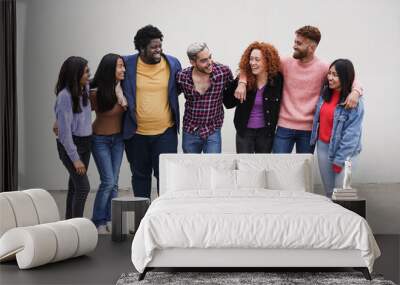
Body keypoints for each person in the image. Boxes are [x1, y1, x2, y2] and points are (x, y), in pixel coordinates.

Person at [235, 26, 363, 154]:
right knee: (278, 169)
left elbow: (349, 77)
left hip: (308, 131)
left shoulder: (323, 67)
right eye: (295, 42)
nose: (294, 46)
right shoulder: (285, 63)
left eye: (299, 43)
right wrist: (242, 82)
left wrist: (356, 92)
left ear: (311, 48)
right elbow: (254, 66)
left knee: (303, 170)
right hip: (284, 127)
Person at [121, 25, 181, 199]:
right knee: (140, 176)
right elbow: (105, 79)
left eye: (160, 46)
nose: (158, 50)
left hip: (166, 133)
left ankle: (164, 218)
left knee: (166, 177)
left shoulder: (173, 63)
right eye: (154, 47)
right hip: (136, 134)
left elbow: (177, 89)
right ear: (141, 48)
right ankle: (143, 218)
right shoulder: (127, 63)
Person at [310, 59, 364, 198]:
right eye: (329, 73)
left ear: (345, 77)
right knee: (329, 192)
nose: (330, 78)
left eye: (335, 75)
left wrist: (339, 161)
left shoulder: (354, 102)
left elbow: (351, 136)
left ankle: (346, 219)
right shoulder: (325, 94)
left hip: (345, 153)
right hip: (323, 148)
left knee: (341, 193)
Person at [223, 41, 283, 153]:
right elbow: (228, 103)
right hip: (245, 132)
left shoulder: (277, 80)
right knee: (245, 167)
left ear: (267, 61)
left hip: (266, 133)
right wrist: (240, 83)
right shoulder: (243, 80)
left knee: (262, 167)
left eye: (257, 59)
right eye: (251, 59)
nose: (252, 63)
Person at [90, 53, 127, 234]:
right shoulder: (95, 92)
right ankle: (98, 221)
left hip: (118, 140)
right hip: (100, 140)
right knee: (108, 181)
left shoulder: (122, 89)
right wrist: (59, 120)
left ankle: (111, 219)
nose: (123, 70)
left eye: (123, 66)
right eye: (120, 66)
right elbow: (76, 110)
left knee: (114, 182)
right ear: (109, 69)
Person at [176, 42, 233, 153]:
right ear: (192, 62)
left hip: (213, 129)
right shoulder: (182, 77)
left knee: (213, 167)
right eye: (203, 60)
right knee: (190, 168)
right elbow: (170, 96)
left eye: (210, 57)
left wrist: (242, 82)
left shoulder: (223, 72)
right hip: (190, 130)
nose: (209, 62)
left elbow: (234, 88)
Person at [54, 56, 92, 218]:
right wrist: (75, 158)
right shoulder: (64, 96)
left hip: (86, 143)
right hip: (71, 145)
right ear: (75, 75)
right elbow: (64, 133)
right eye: (86, 72)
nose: (89, 75)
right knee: (83, 188)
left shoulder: (85, 88)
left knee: (75, 187)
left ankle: (69, 225)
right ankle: (77, 226)